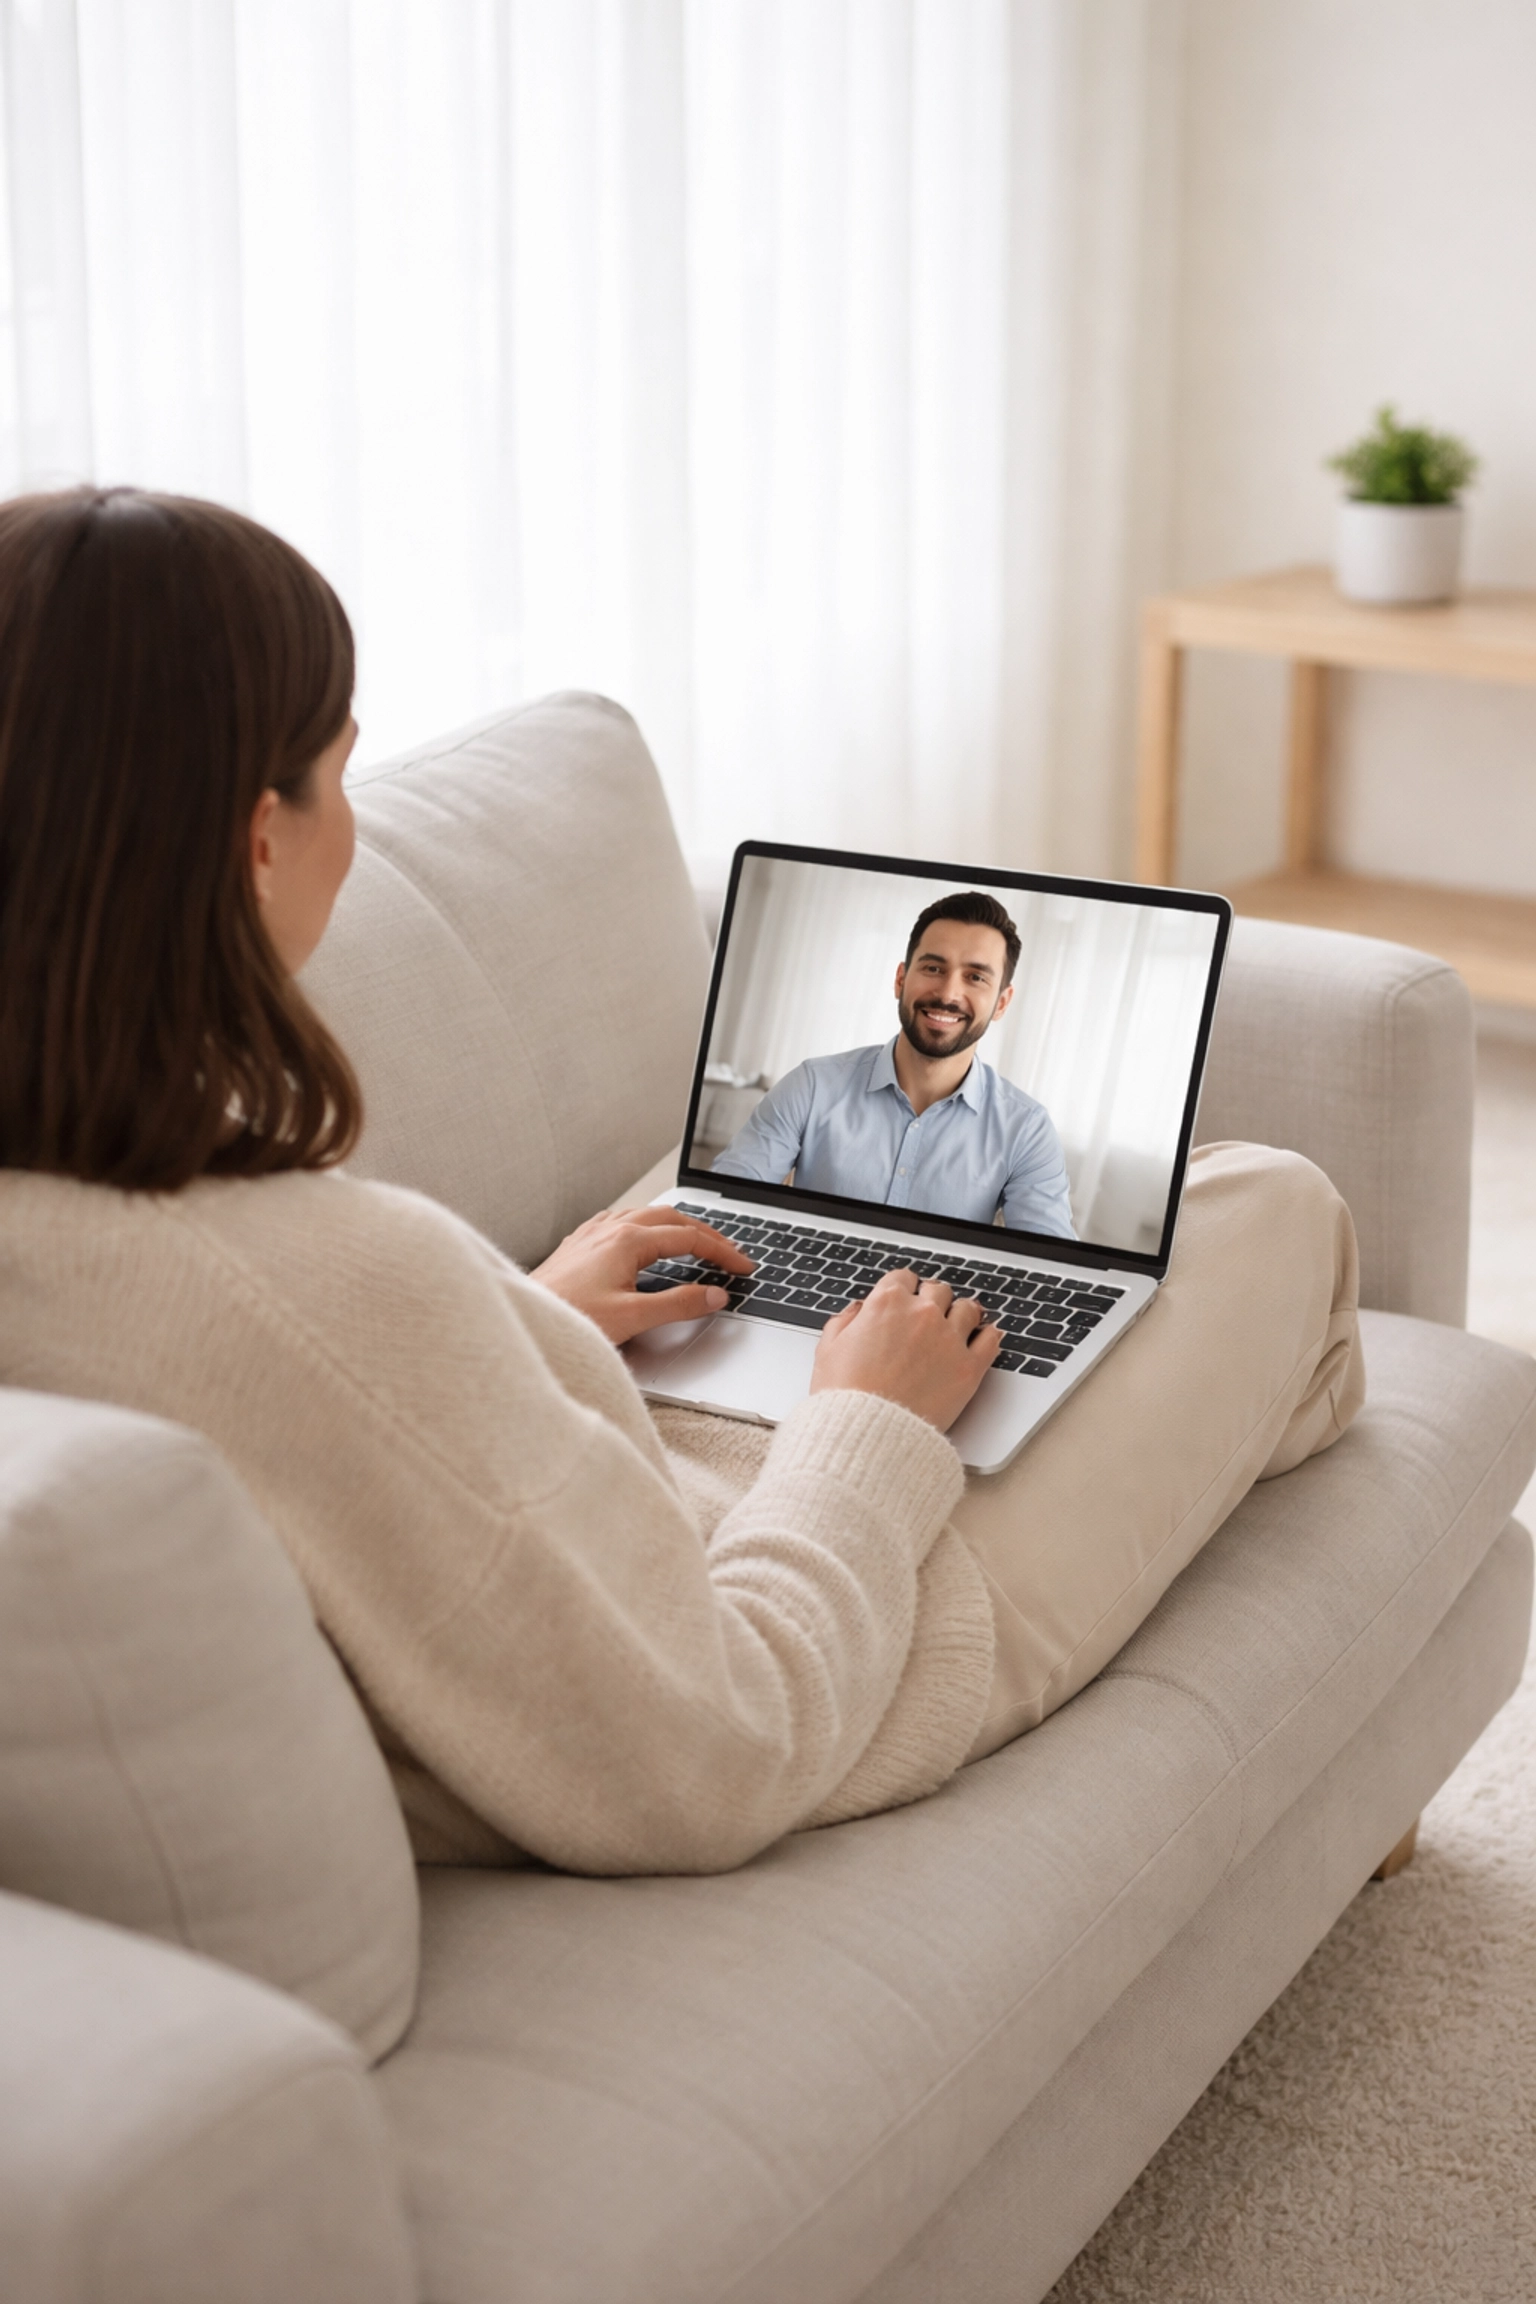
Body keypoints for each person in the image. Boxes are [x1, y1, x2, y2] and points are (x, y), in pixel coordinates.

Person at [0, 488, 1365, 1878]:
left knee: (689, 1196)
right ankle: (1281, 1427)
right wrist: (870, 1426)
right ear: (259, 835)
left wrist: (523, 1322)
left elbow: (349, 1428)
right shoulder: (334, 1284)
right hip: (813, 1629)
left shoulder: (89, 1212)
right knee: (1272, 1204)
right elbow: (717, 1749)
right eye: (338, 774)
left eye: (974, 979)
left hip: (624, 1497)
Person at [713, 893, 1077, 1237]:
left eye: (976, 977)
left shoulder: (1026, 1130)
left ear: (1001, 1003)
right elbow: (719, 1211)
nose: (948, 994)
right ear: (901, 979)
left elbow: (1054, 1269)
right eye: (934, 967)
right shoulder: (812, 1086)